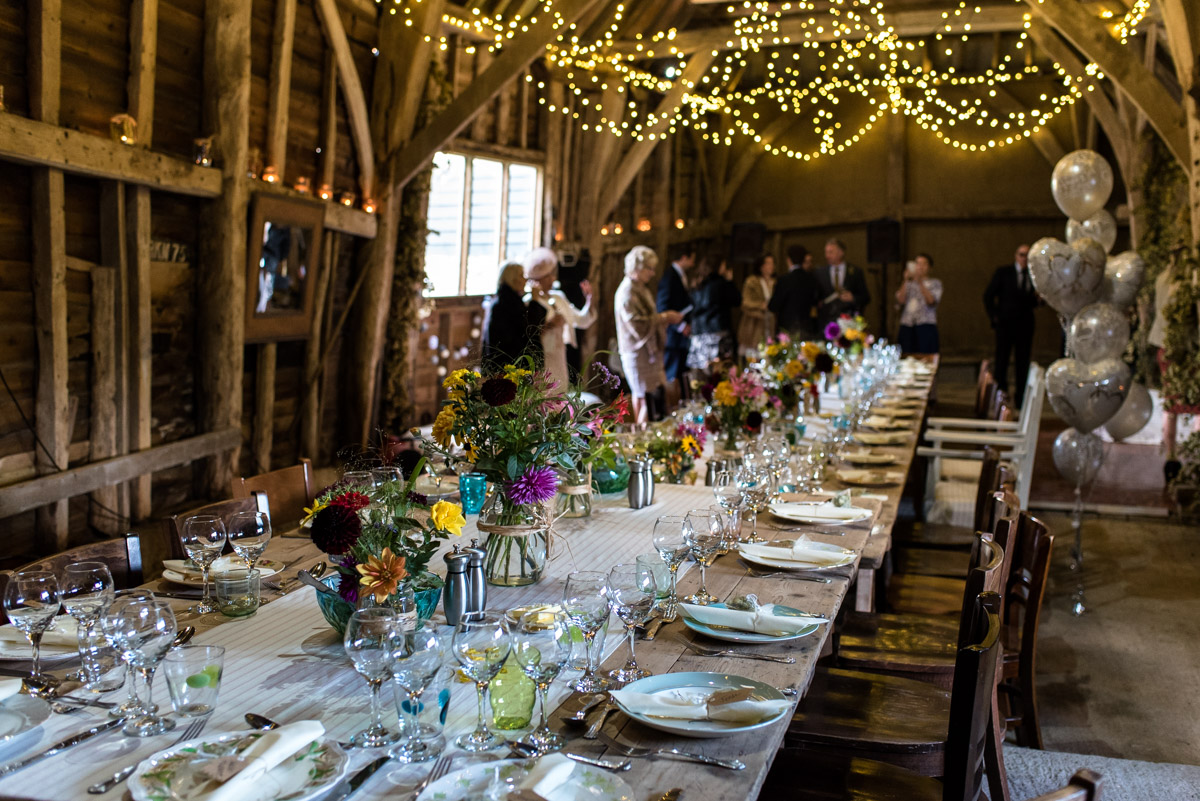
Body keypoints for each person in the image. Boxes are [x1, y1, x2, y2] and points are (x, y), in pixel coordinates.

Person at [616, 245, 684, 425]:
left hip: (651, 352)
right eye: (650, 268)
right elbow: (637, 324)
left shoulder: (641, 288)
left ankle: (652, 434)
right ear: (637, 268)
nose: (653, 273)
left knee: (654, 397)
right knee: (643, 397)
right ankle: (642, 438)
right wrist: (664, 317)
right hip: (638, 353)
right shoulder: (627, 292)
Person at [524, 247, 596, 390]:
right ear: (538, 279)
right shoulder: (529, 302)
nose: (553, 279)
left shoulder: (558, 297)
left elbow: (581, 320)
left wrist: (589, 299)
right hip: (542, 355)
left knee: (560, 390)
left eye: (552, 274)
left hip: (559, 353)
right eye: (548, 276)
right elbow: (527, 335)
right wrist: (550, 324)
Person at [983, 243, 1039, 405]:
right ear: (1016, 256)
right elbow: (988, 295)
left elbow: (1034, 302)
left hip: (1025, 325)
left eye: (1027, 256)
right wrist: (994, 317)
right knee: (1002, 360)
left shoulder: (1034, 275)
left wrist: (1039, 300)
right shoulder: (1004, 273)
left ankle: (1020, 398)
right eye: (1022, 255)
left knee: (1023, 362)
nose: (1024, 258)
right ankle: (1001, 395)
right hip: (1005, 324)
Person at [656, 243, 695, 406]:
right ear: (684, 257)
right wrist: (680, 327)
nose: (693, 263)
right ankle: (671, 409)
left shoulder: (679, 275)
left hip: (681, 336)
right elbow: (662, 308)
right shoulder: (669, 277)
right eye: (692, 259)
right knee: (672, 376)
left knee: (682, 375)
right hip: (673, 335)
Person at [688, 252, 741, 372]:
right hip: (717, 333)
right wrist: (730, 281)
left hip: (698, 334)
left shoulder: (697, 283)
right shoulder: (721, 283)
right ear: (717, 266)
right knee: (719, 371)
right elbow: (737, 301)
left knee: (701, 372)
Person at [482, 262, 536, 373]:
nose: (525, 280)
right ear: (513, 279)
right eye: (521, 275)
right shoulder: (506, 304)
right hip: (508, 365)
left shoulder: (512, 301)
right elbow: (527, 330)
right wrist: (534, 303)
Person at [814, 238, 870, 325]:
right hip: (826, 322)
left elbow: (866, 297)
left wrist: (853, 298)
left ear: (841, 252)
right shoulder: (820, 273)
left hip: (848, 321)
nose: (827, 256)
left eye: (831, 252)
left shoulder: (855, 272)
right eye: (826, 252)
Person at [768, 244, 820, 339]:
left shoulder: (784, 280)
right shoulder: (812, 280)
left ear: (788, 260)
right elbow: (815, 302)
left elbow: (773, 306)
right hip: (806, 328)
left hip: (786, 329)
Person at [895, 253, 943, 354]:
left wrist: (920, 281)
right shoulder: (908, 283)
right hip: (907, 324)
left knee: (926, 356)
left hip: (926, 324)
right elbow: (900, 300)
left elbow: (931, 301)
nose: (920, 267)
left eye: (923, 264)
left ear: (929, 267)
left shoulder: (935, 283)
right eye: (917, 263)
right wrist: (906, 280)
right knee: (906, 354)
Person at [737, 253, 776, 359]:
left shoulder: (775, 282)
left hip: (770, 323)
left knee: (768, 355)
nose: (771, 266)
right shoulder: (752, 281)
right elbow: (745, 303)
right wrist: (761, 305)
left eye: (772, 263)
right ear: (761, 265)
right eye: (768, 263)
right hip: (754, 324)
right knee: (753, 357)